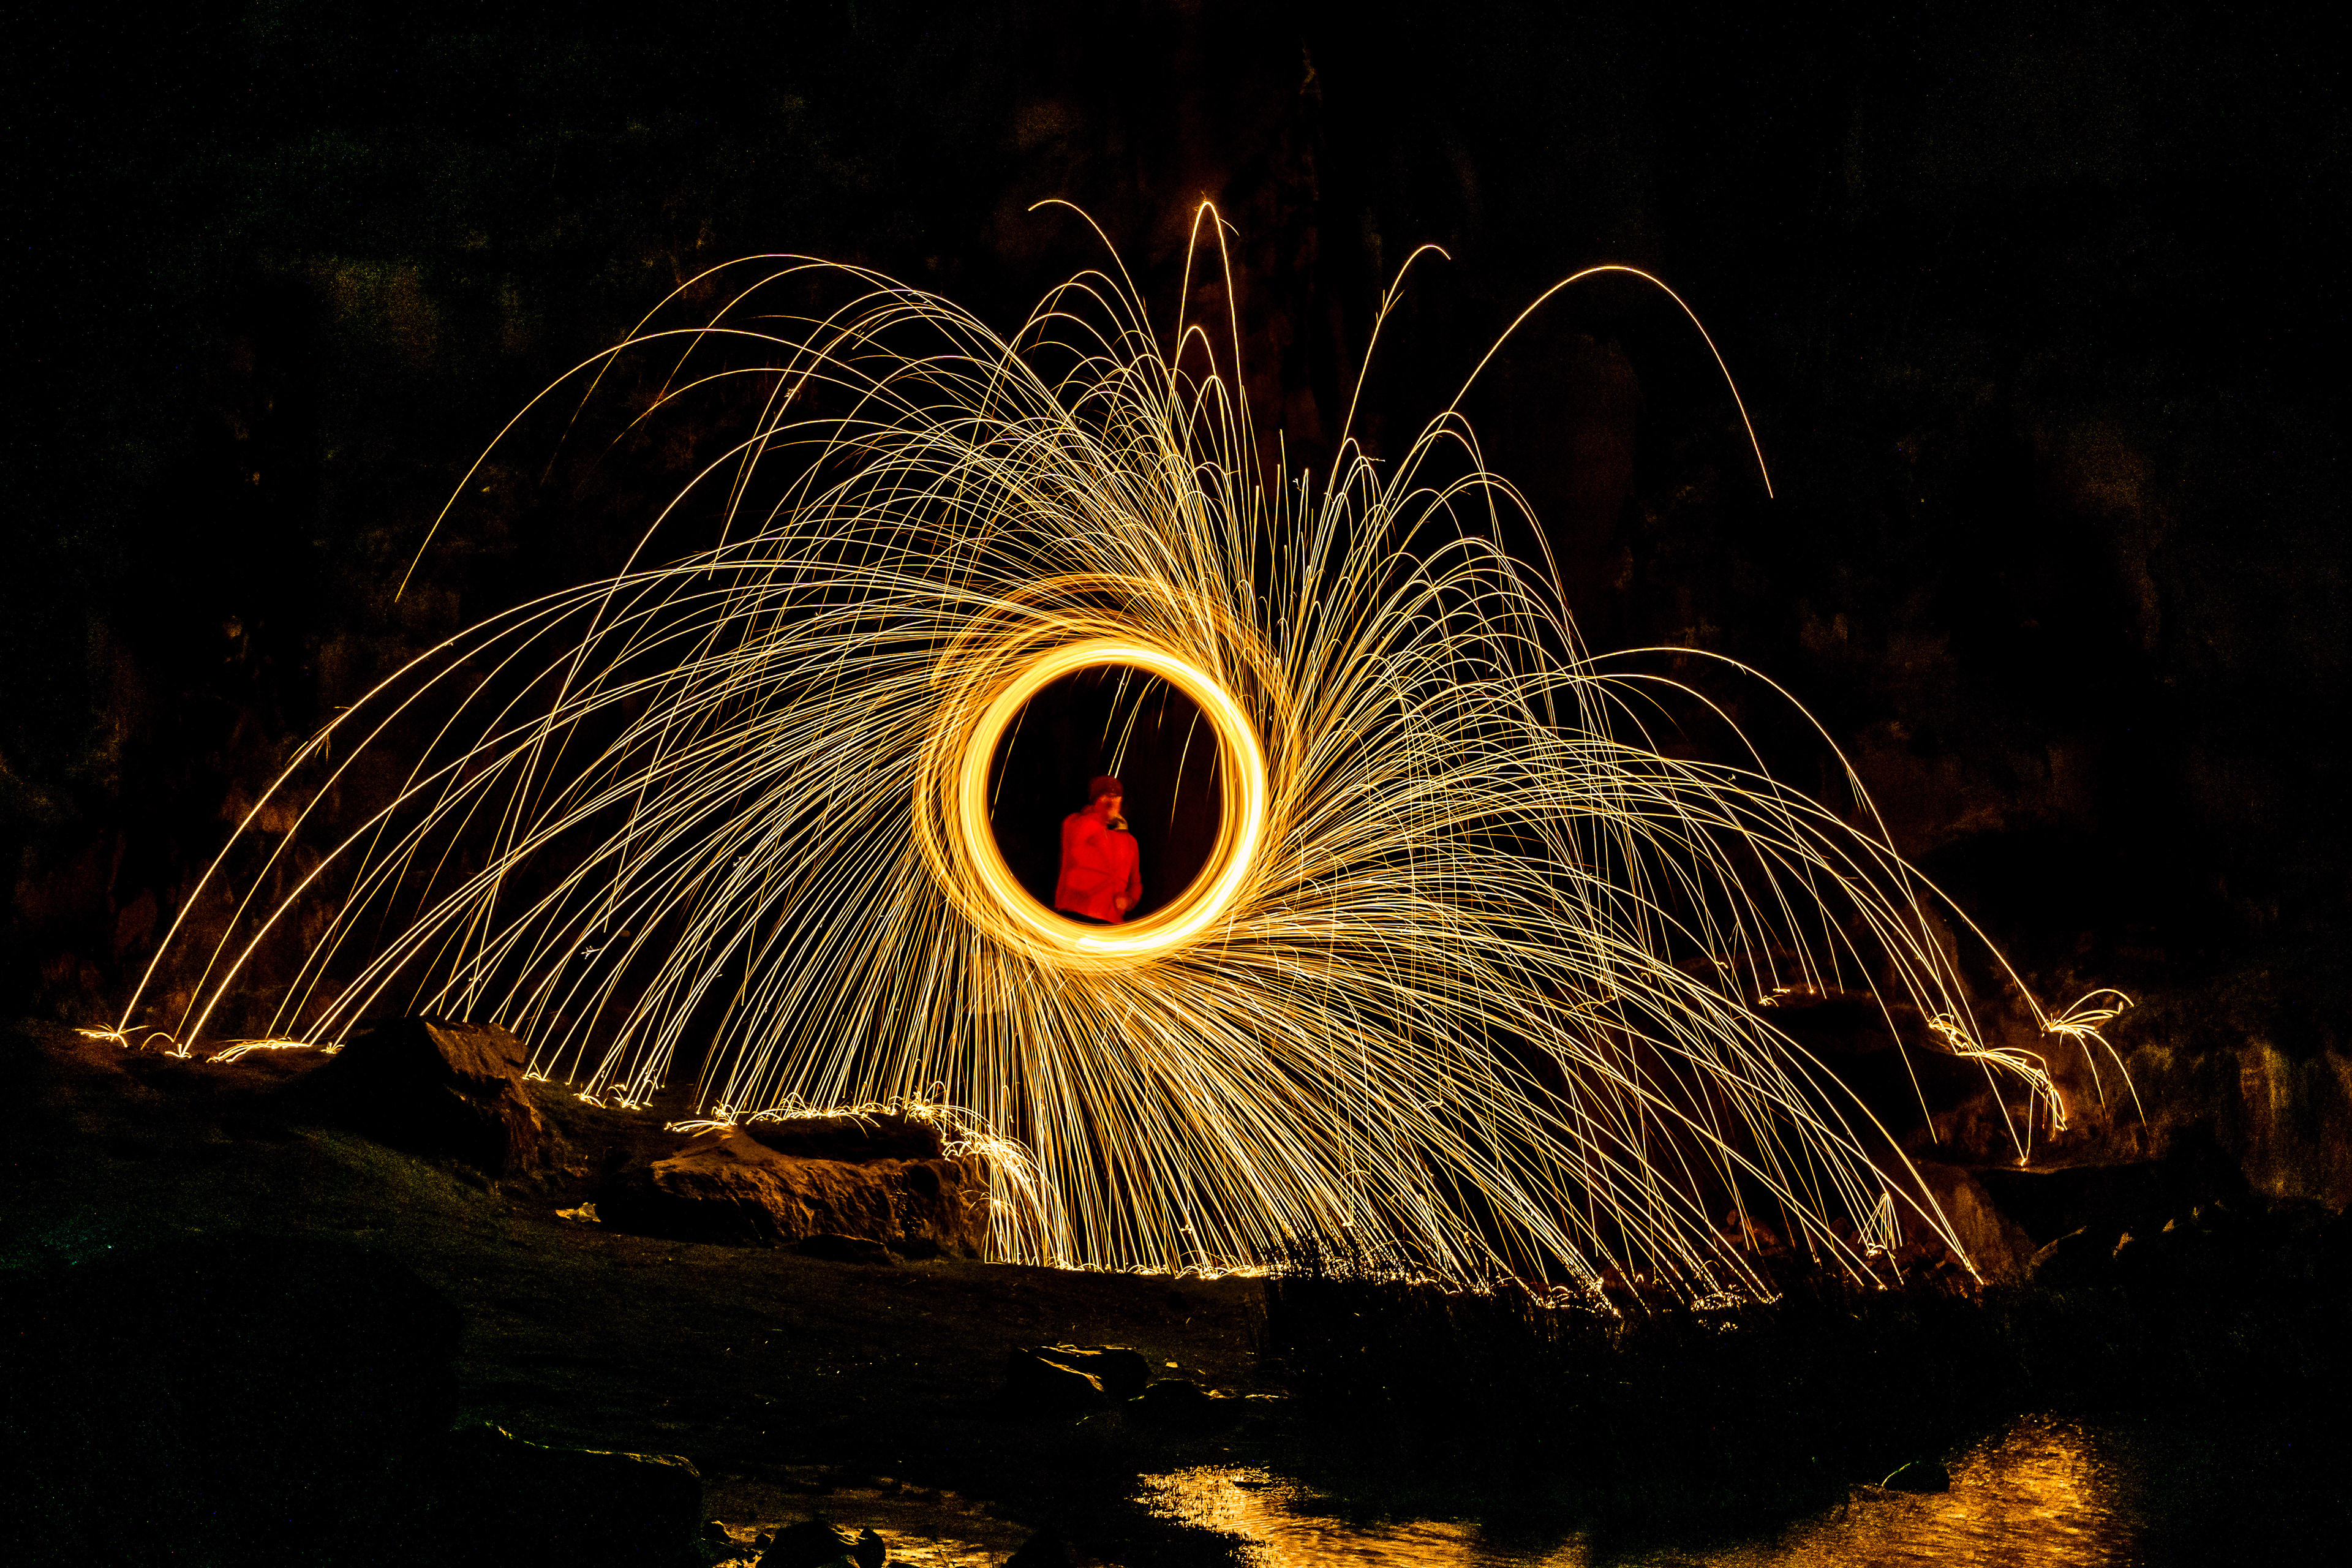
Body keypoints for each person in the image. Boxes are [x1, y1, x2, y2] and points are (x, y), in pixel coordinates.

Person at [1054, 774, 1141, 923]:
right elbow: (1077, 839)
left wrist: (1129, 900)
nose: (1112, 800)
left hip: (1111, 922)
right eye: (1107, 796)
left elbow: (1135, 883)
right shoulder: (1075, 823)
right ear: (1095, 800)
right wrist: (1100, 814)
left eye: (1116, 796)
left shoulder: (1129, 841)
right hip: (1076, 916)